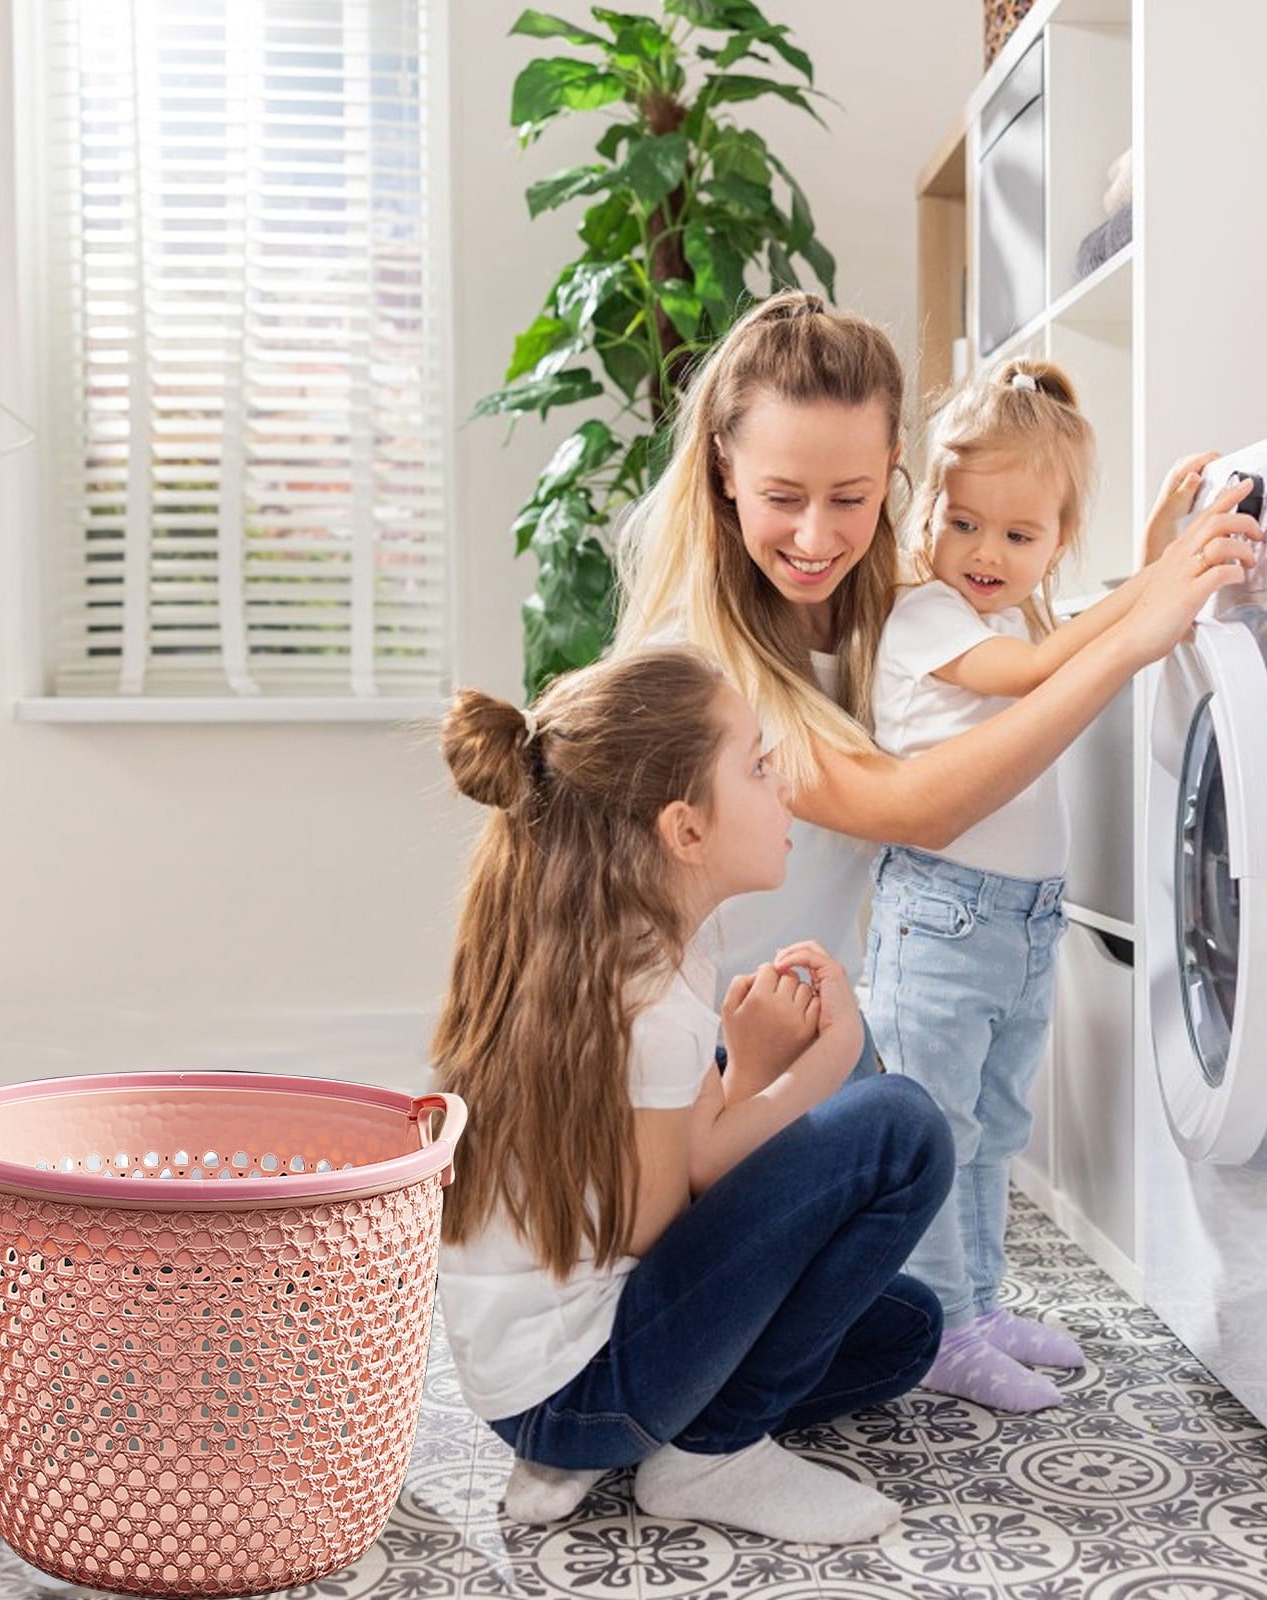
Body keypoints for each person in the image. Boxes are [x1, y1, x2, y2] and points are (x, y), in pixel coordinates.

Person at [616, 290, 1259, 1068]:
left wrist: (1150, 572)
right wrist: (1131, 634)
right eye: (782, 498)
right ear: (724, 471)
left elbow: (1016, 614)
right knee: (919, 1139)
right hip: (691, 1055)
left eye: (849, 498)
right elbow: (908, 806)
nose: (816, 537)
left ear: (893, 472)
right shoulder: (697, 665)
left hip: (806, 1027)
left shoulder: (891, 611)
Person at [433, 646, 955, 1544]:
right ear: (685, 831)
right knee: (899, 1127)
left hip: (564, 1374)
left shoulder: (637, 952)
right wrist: (814, 1069)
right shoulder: (642, 999)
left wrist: (748, 1073)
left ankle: (598, 1454)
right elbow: (660, 1223)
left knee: (905, 1330)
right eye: (756, 764)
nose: (782, 779)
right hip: (576, 1385)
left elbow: (665, 1186)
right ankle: (711, 1453)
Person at [862, 360, 1237, 1410]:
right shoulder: (925, 613)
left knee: (992, 1125)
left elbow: (1064, 630)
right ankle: (932, 1325)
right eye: (964, 521)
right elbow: (1040, 677)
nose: (986, 554)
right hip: (940, 916)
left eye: (1020, 537)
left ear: (1056, 543)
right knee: (940, 1133)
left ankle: (974, 1305)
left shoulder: (1017, 614)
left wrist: (1155, 553)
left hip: (1016, 925)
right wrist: (1149, 603)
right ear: (928, 506)